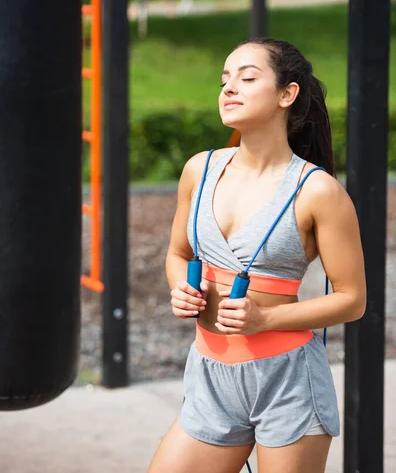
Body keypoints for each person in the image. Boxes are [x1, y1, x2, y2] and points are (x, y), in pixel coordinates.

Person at [148, 38, 366, 473]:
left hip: (287, 382)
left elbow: (352, 299)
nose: (229, 88)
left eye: (247, 78)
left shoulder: (318, 191)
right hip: (209, 372)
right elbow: (177, 253)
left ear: (287, 94)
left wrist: (264, 320)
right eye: (225, 79)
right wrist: (181, 288)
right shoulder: (200, 169)